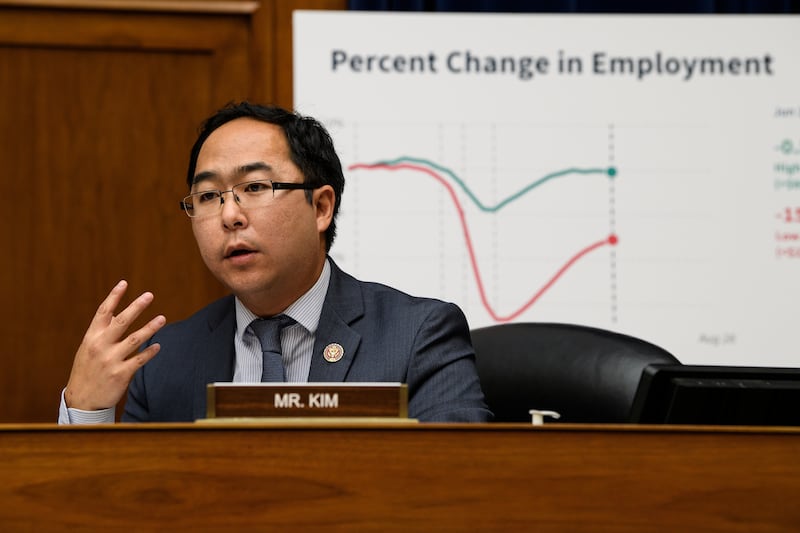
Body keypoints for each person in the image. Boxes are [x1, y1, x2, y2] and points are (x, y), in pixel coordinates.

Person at [59, 102, 492, 423]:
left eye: (254, 186)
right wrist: (86, 410)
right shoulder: (165, 361)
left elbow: (461, 487)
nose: (230, 215)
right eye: (209, 196)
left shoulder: (416, 336)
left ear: (321, 208)